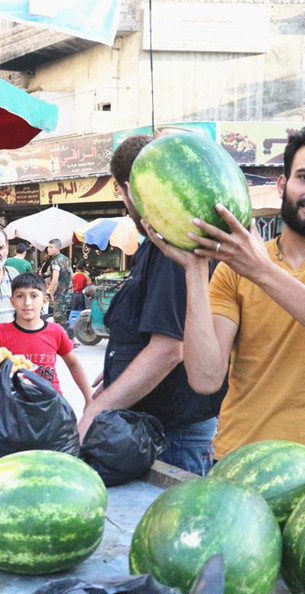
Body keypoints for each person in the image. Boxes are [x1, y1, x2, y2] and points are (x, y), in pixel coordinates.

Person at [147, 123, 305, 465]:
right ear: (283, 184)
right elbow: (205, 378)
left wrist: (263, 271)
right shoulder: (233, 268)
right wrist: (194, 269)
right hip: (238, 461)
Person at [76, 134, 225, 476]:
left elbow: (170, 349)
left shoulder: (174, 248)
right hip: (163, 430)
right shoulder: (156, 241)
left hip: (172, 436)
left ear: (128, 188)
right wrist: (119, 367)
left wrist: (96, 409)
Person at [0, 272, 93, 406]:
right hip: (11, 405)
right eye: (20, 296)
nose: (27, 302)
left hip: (50, 404)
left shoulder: (56, 331)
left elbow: (73, 364)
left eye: (34, 296)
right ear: (12, 301)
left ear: (44, 301)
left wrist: (89, 399)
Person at [45, 239, 73, 333]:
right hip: (69, 291)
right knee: (63, 315)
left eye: (51, 247)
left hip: (61, 293)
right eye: (48, 247)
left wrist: (52, 293)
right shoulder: (65, 258)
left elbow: (55, 280)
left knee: (58, 316)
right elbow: (71, 273)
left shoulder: (56, 261)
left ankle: (71, 337)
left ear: (57, 248)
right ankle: (61, 339)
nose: (48, 249)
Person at [69, 260, 91, 331]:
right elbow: (90, 285)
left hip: (74, 294)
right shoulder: (86, 276)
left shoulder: (73, 275)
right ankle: (79, 326)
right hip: (82, 295)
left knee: (73, 309)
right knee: (81, 311)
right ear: (84, 268)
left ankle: (72, 325)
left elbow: (70, 284)